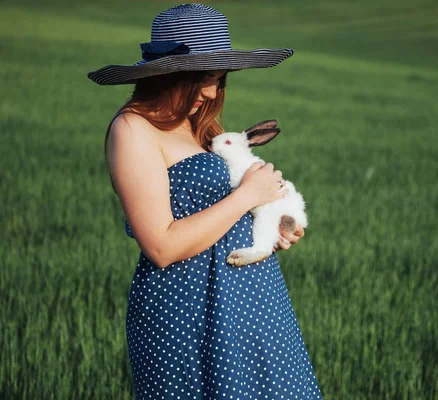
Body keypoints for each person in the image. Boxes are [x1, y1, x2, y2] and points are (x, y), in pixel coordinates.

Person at [88, 4, 323, 399]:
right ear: (168, 74)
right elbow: (161, 246)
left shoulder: (202, 127)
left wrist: (265, 226)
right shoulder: (133, 129)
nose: (212, 92)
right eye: (202, 80)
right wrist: (249, 194)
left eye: (218, 79)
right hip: (188, 307)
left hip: (252, 301)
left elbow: (219, 213)